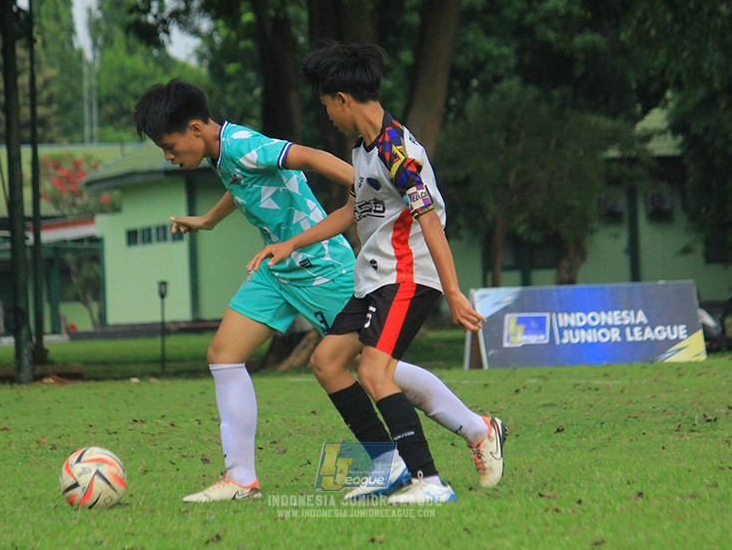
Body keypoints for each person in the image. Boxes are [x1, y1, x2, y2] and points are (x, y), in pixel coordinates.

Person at [135, 79, 503, 503]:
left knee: (374, 365)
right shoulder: (221, 153)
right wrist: (209, 220)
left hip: (321, 266)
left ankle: (476, 429)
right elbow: (243, 185)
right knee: (224, 353)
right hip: (277, 267)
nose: (168, 155)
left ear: (196, 129)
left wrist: (363, 183)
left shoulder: (242, 144)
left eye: (169, 144)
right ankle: (240, 478)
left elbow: (309, 157)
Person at [248, 41, 504, 505]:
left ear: (343, 99)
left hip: (408, 276)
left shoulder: (397, 149)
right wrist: (291, 243)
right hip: (374, 278)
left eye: (327, 105)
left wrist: (453, 292)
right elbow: (353, 210)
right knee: (326, 362)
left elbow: (430, 221)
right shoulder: (363, 151)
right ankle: (390, 466)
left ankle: (429, 481)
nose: (327, 114)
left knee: (375, 371)